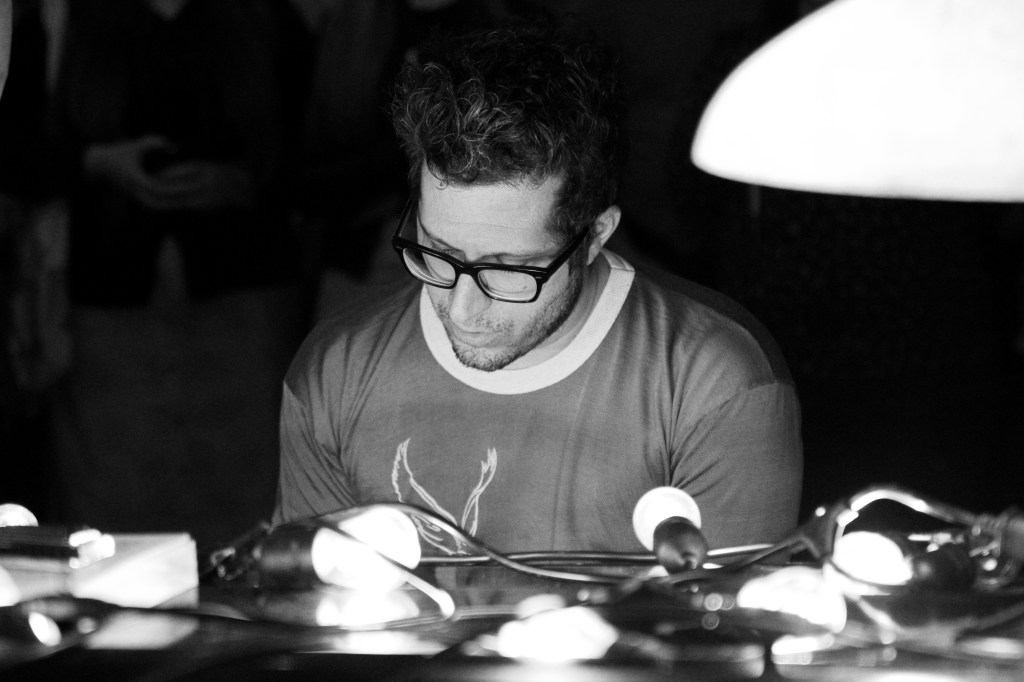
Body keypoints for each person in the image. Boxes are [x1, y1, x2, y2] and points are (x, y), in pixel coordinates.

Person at [273, 19, 802, 555]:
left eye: (508, 269)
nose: (462, 309)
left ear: (595, 235)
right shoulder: (335, 371)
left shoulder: (717, 385)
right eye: (438, 251)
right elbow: (306, 595)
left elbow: (726, 608)